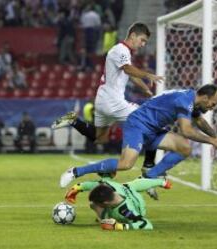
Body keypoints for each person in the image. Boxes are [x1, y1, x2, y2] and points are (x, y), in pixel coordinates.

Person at [53, 22, 163, 197]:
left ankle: (73, 120)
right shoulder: (121, 50)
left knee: (99, 138)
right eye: (142, 40)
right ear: (133, 35)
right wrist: (148, 75)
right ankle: (149, 173)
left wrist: (145, 88)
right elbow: (128, 69)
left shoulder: (123, 53)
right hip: (114, 102)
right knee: (154, 124)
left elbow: (129, 74)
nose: (143, 44)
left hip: (103, 100)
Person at [60, 84, 217, 188]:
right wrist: (212, 141)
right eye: (214, 102)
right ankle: (76, 171)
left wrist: (216, 137)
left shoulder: (191, 100)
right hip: (138, 124)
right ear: (205, 96)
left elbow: (200, 122)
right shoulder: (184, 101)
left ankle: (150, 176)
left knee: (185, 148)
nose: (214, 106)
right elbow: (187, 130)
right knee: (126, 164)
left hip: (154, 129)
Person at [64, 176, 172, 230]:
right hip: (125, 190)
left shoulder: (126, 212)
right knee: (130, 185)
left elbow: (147, 225)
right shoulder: (110, 185)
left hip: (138, 207)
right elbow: (93, 185)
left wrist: (118, 226)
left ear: (106, 203)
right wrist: (77, 188)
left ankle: (103, 216)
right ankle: (161, 181)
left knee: (93, 205)